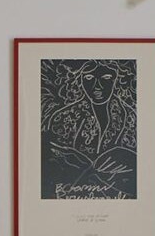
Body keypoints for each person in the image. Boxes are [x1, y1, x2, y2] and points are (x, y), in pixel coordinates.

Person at [41, 59, 137, 199]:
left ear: (117, 80)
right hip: (72, 196)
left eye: (106, 78)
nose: (97, 86)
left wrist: (128, 157)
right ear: (79, 80)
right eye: (89, 78)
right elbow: (49, 165)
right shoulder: (64, 117)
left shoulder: (130, 116)